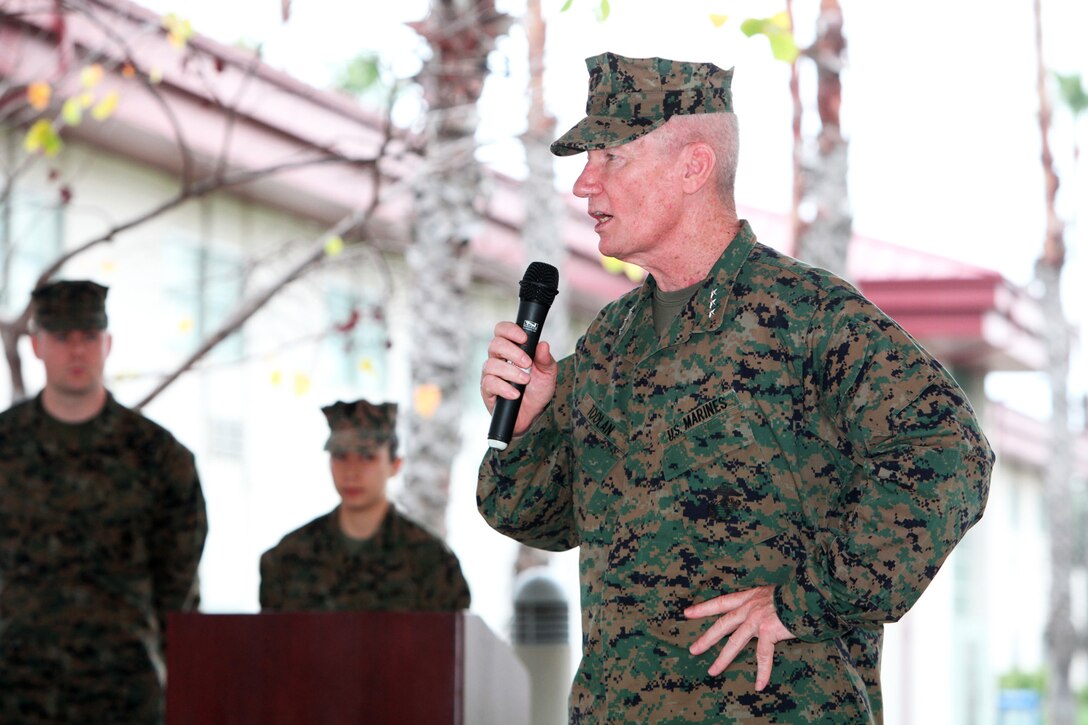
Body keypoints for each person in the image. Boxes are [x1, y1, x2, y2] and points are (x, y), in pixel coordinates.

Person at [477, 52, 993, 723]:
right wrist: (525, 427)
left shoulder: (809, 318)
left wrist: (806, 598)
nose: (583, 185)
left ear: (694, 166)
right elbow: (534, 517)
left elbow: (950, 453)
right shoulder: (611, 341)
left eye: (611, 158)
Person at [0, 279, 208, 724]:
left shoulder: (159, 457)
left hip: (123, 694)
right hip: (15, 691)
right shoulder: (5, 447)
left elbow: (180, 590)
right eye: (61, 338)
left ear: (107, 343)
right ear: (37, 345)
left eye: (89, 337)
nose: (77, 351)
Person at [259, 398, 470, 611]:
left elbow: (452, 638)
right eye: (340, 456)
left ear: (395, 465)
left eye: (367, 457)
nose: (351, 472)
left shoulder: (431, 562)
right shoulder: (289, 557)